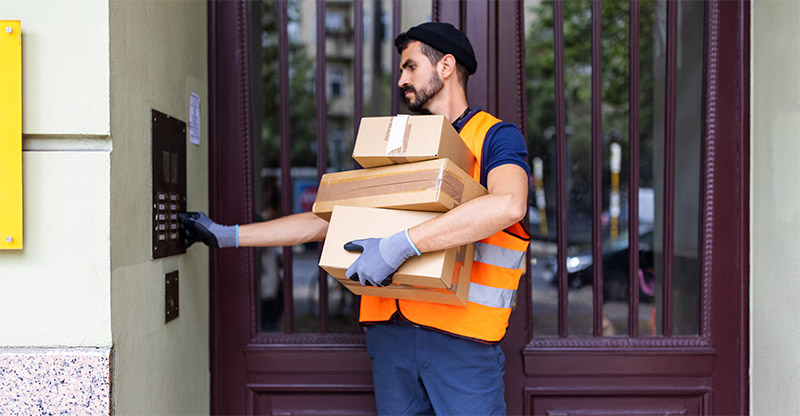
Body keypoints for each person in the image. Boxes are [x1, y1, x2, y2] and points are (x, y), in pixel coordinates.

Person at [180, 22, 530, 415]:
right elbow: (329, 222)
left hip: (463, 341)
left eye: (411, 66)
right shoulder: (401, 147)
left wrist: (398, 246)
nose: (401, 80)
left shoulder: (495, 137)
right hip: (391, 339)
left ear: (446, 66)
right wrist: (226, 235)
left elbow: (508, 204)